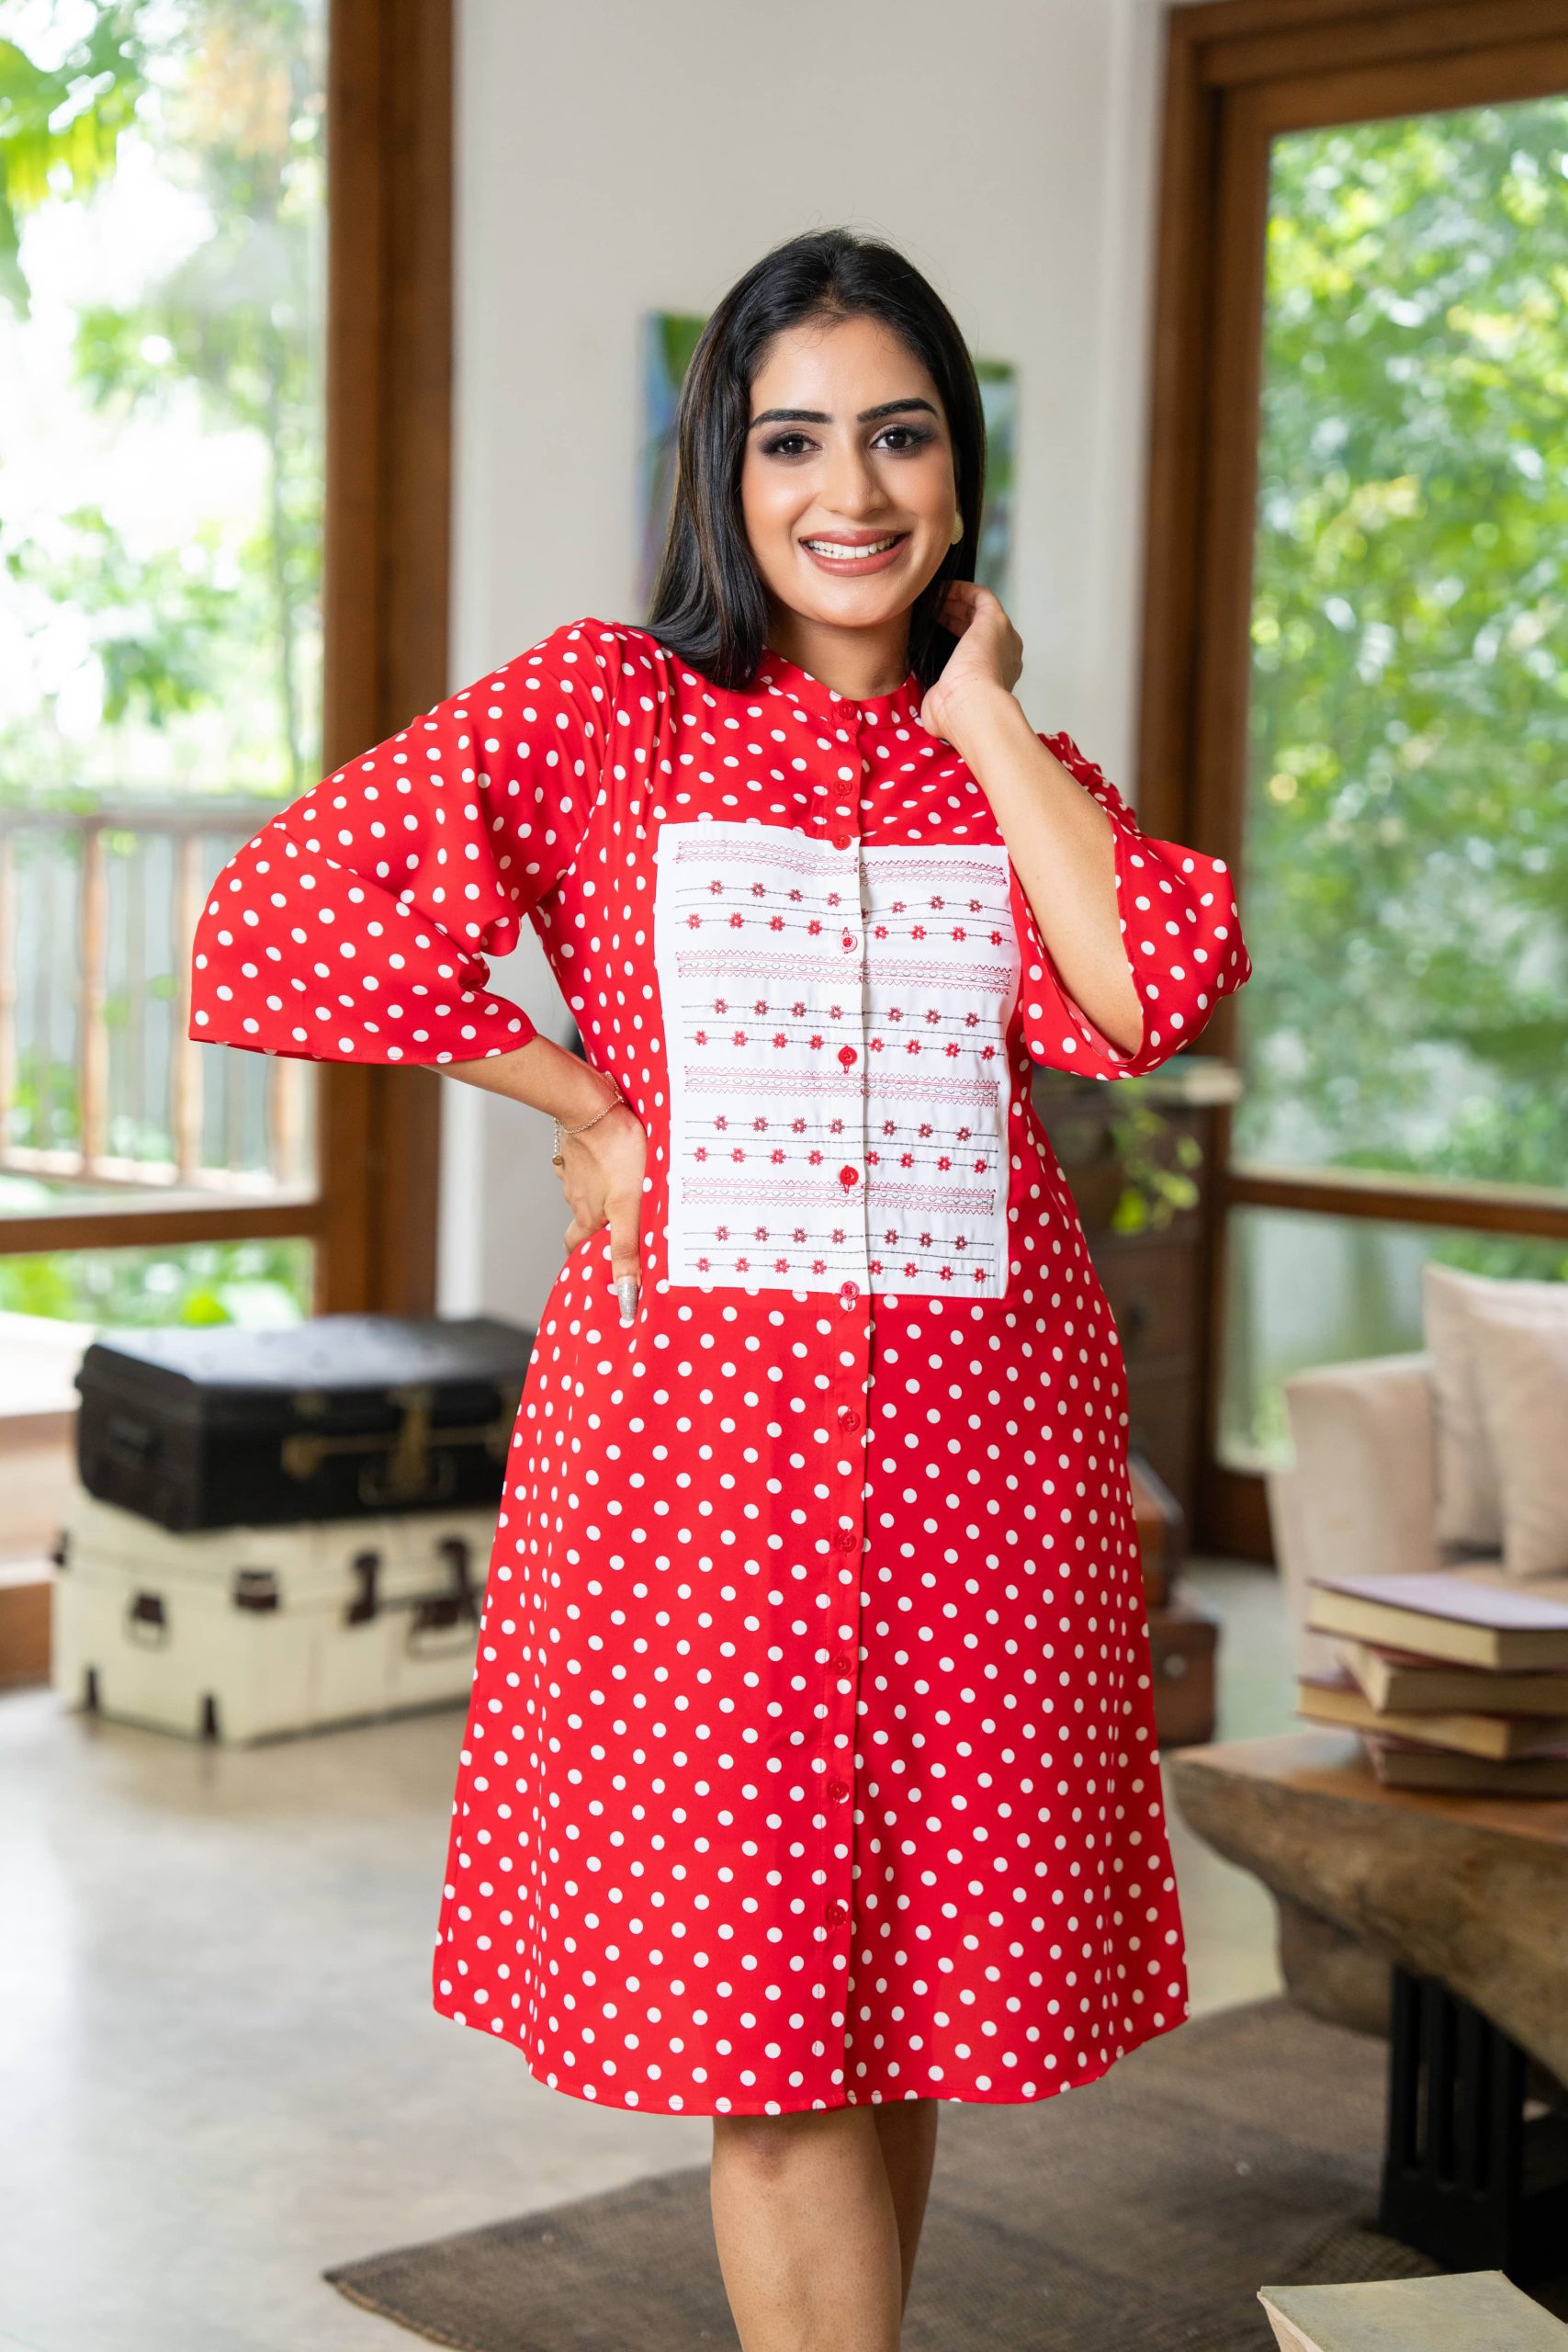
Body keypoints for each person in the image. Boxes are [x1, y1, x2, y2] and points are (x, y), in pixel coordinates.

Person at [188, 226, 1250, 2352]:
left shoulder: (1007, 767)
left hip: (984, 1472)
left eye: (898, 435)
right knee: (765, 2039)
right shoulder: (608, 706)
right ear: (720, 469)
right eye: (790, 440)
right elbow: (274, 915)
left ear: (957, 469)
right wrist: (575, 1096)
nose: (846, 489)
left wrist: (980, 705)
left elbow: (1143, 993)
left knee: (902, 2003)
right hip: (701, 1477)